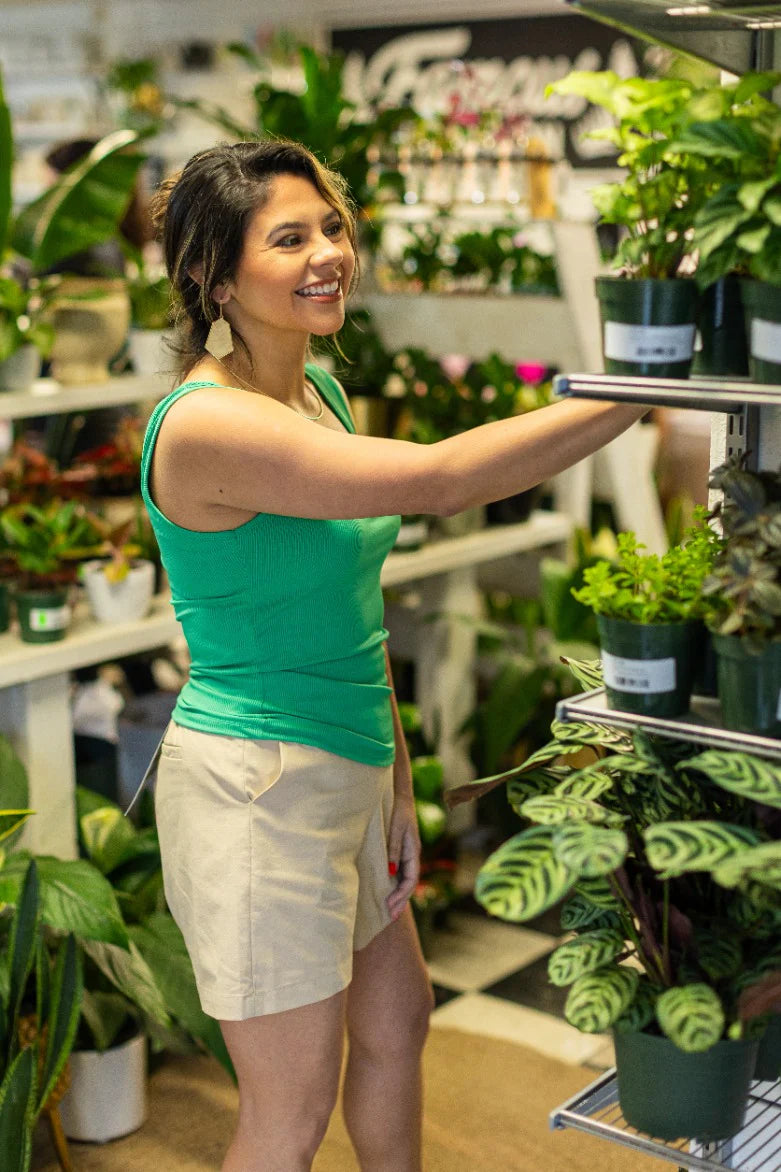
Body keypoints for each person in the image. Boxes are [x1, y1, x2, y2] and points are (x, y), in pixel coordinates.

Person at [141, 139, 646, 1172]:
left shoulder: (313, 389)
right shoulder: (206, 426)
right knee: (286, 1113)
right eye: (289, 238)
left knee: (398, 1022)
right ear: (213, 278)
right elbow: (440, 478)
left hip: (347, 765)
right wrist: (642, 393)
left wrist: (395, 773)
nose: (328, 251)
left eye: (331, 225)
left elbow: (350, 605)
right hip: (255, 788)